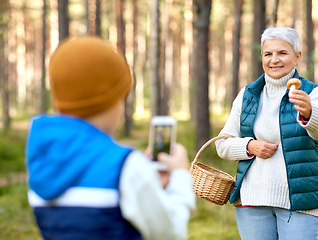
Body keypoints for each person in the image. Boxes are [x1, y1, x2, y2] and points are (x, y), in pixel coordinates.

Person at [25, 36, 195, 240]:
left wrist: (149, 182)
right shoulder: (126, 166)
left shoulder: (42, 162)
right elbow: (171, 232)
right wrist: (180, 176)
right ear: (113, 100)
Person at [215, 27, 318, 240]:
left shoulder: (312, 93)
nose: (274, 60)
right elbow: (222, 144)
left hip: (299, 203)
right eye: (268, 54)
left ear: (297, 57)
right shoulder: (248, 95)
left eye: (282, 53)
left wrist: (310, 112)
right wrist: (249, 146)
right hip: (252, 201)